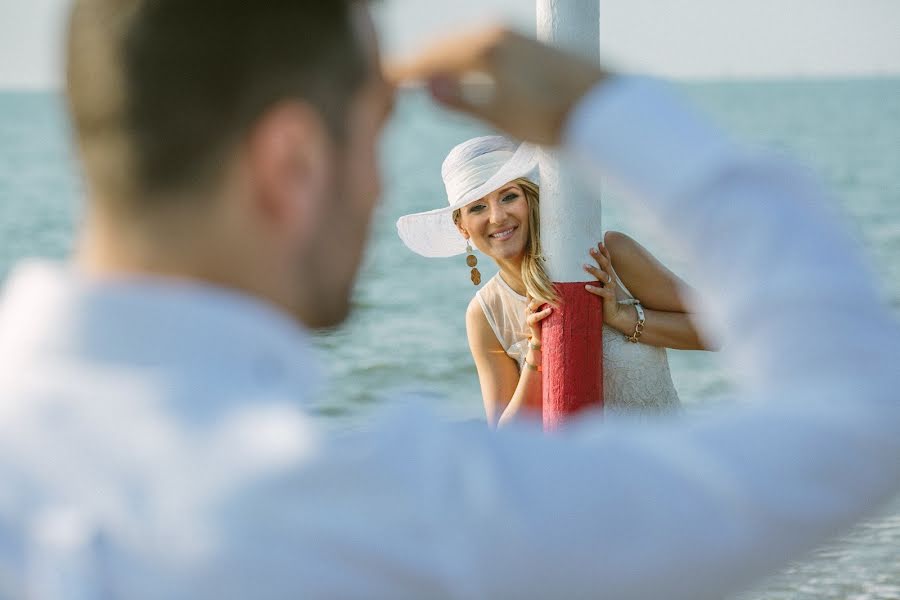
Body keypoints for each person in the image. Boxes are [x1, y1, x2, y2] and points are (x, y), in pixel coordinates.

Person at [0, 1, 897, 598]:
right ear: (294, 165)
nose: (371, 189)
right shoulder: (379, 511)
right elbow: (865, 414)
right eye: (373, 140)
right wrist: (613, 114)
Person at [397, 134, 712, 427]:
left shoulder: (609, 256)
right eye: (478, 207)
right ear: (463, 228)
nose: (497, 217)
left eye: (508, 196)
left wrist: (623, 318)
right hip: (577, 483)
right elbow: (506, 441)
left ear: (530, 198)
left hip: (667, 474)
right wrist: (536, 352)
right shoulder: (485, 314)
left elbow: (717, 329)